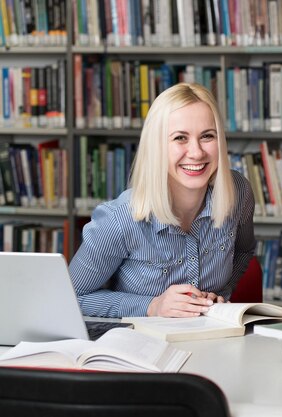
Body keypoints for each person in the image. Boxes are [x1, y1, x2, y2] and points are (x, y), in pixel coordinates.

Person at [70, 83, 255, 318]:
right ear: (157, 146)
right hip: (140, 346)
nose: (196, 152)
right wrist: (151, 306)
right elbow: (74, 296)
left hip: (209, 341)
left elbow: (244, 251)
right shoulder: (119, 219)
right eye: (180, 138)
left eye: (207, 136)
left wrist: (220, 294)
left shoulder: (238, 193)